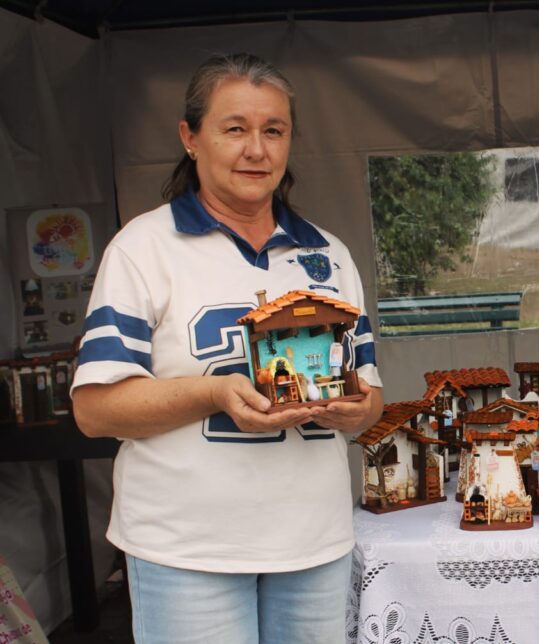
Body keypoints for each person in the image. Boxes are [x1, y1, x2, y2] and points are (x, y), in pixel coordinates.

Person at [71, 53, 383, 644]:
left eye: (274, 131)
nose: (256, 150)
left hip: (313, 542)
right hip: (187, 549)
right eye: (235, 128)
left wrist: (353, 409)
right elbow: (94, 410)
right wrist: (215, 393)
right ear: (190, 138)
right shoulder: (143, 248)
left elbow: (370, 400)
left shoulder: (330, 255)